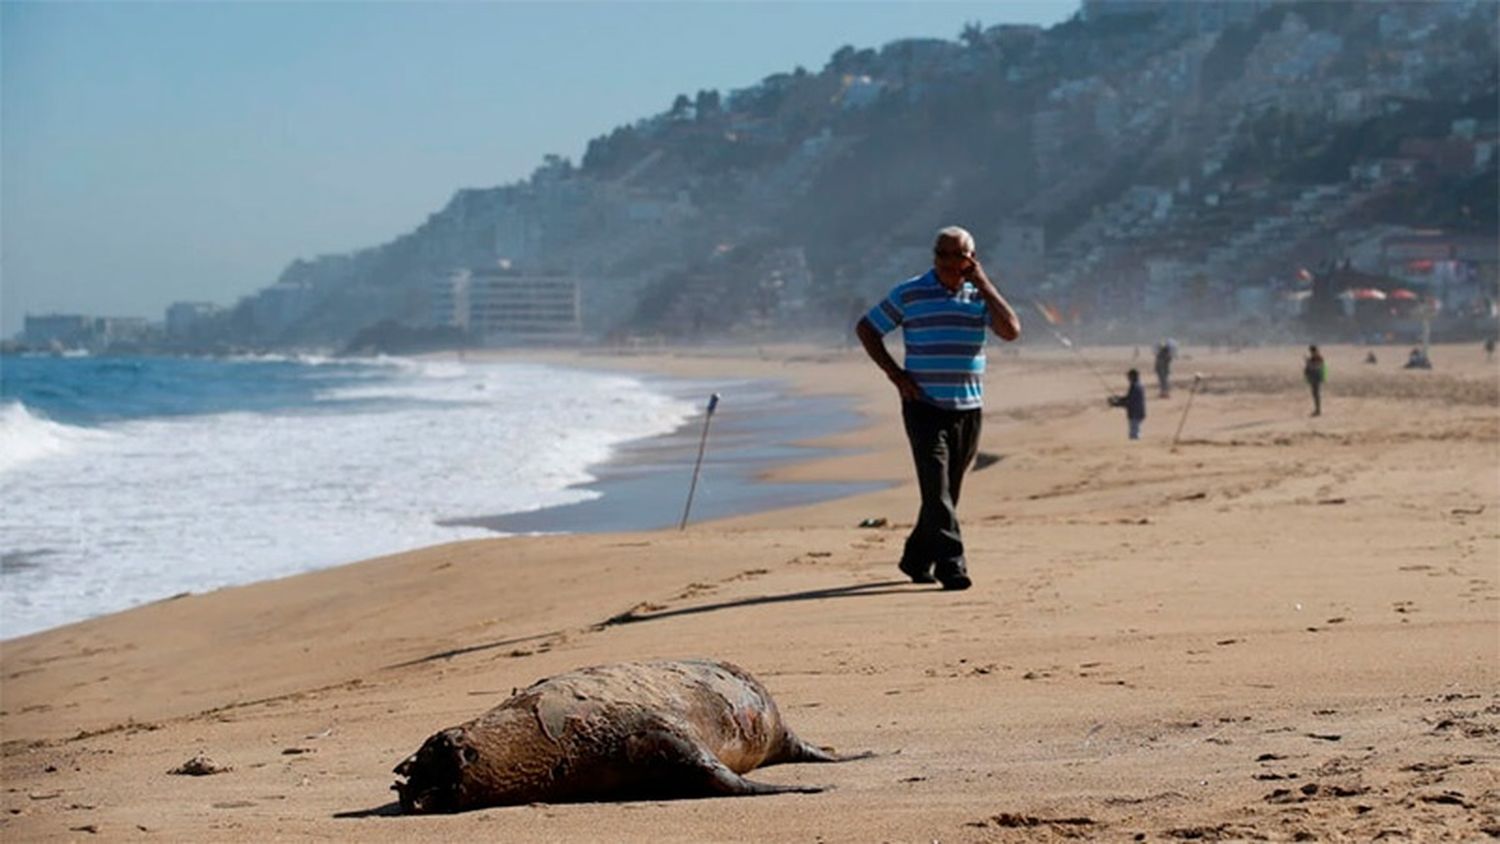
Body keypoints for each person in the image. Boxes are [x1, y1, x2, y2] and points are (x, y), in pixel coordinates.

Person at [855, 225, 1021, 591]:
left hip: (968, 407)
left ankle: (916, 557)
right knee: (936, 489)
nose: (948, 262)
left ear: (971, 259)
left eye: (957, 255)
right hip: (923, 405)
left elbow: (1010, 330)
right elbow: (867, 328)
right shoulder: (910, 292)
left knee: (948, 492)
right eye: (942, 254)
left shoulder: (980, 297)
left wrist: (985, 284)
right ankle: (951, 564)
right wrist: (895, 375)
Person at [1108, 369, 1147, 439]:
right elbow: (1128, 398)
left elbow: (1129, 402)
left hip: (1135, 414)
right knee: (1134, 432)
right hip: (1137, 413)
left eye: (1129, 376)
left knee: (1134, 434)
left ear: (1132, 376)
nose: (1128, 378)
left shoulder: (1135, 387)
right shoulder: (1137, 385)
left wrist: (1115, 404)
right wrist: (1118, 398)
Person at [1304, 345, 1327, 416]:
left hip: (1316, 378)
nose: (1312, 353)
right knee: (1315, 394)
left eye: (1312, 351)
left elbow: (1317, 366)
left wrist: (1309, 363)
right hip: (1313, 378)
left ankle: (1318, 410)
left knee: (1316, 394)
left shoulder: (1318, 358)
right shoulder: (1314, 358)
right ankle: (1317, 409)